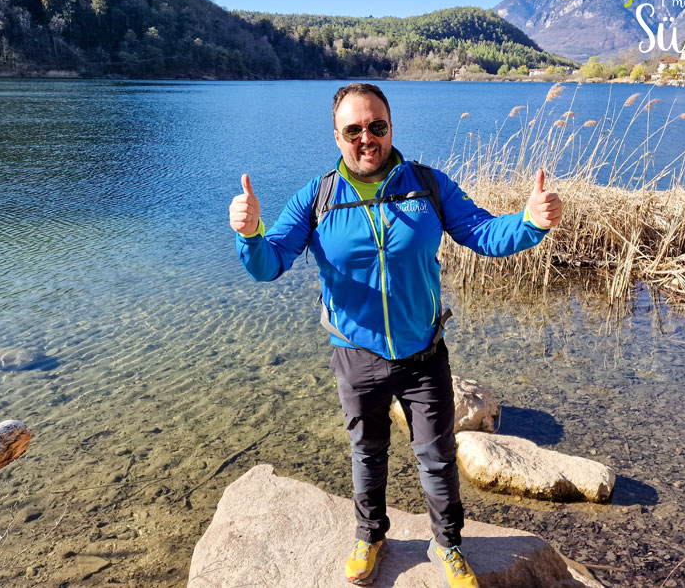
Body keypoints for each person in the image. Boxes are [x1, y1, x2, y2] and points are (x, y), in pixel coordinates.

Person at [229, 83, 562, 587]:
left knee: (437, 456)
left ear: (390, 128)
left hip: (423, 353)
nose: (366, 138)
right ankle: (370, 536)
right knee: (367, 452)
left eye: (376, 126)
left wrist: (530, 222)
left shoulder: (428, 186)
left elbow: (483, 232)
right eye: (353, 130)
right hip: (355, 355)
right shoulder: (316, 198)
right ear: (337, 136)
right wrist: (250, 233)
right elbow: (268, 264)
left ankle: (448, 545)